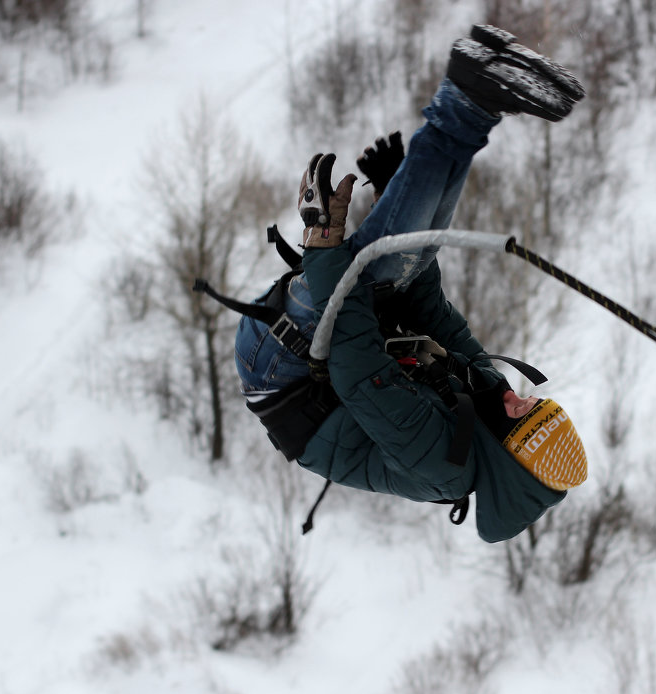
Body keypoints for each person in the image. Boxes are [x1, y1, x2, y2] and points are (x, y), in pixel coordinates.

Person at [232, 25, 588, 542]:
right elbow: (431, 311)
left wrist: (324, 251)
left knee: (387, 263)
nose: (519, 399)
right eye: (537, 403)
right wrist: (398, 200)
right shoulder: (491, 397)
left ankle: (467, 101)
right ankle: (477, 106)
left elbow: (357, 369)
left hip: (283, 370)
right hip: (340, 354)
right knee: (414, 254)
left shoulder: (443, 464)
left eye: (524, 417)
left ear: (508, 450)